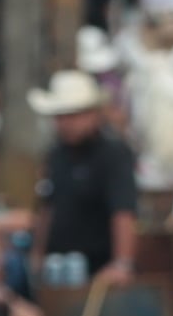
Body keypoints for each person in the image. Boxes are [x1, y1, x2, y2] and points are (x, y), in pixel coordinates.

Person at [29, 71, 138, 284]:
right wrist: (37, 254)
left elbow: (124, 211)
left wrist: (122, 263)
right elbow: (47, 208)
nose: (65, 123)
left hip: (97, 268)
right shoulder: (56, 154)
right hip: (57, 266)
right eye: (60, 117)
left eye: (73, 115)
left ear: (93, 115)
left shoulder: (113, 154)